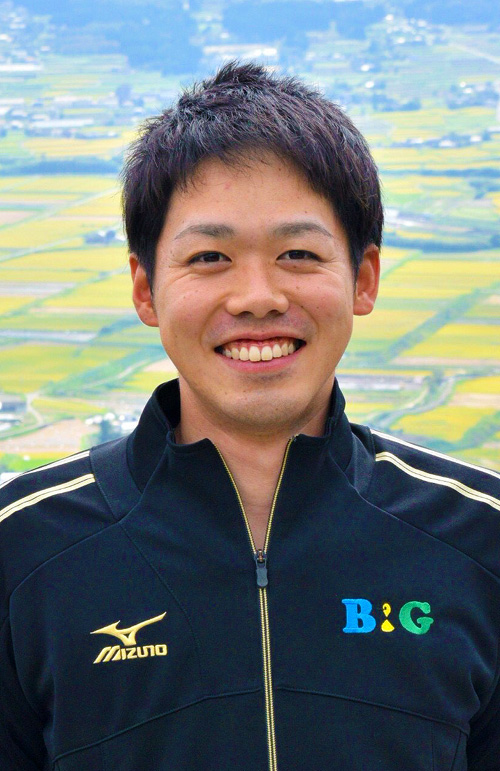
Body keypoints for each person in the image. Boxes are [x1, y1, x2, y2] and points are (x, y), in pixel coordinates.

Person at [1, 62, 499, 771]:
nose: (257, 296)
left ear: (363, 279)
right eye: (210, 257)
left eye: (298, 254)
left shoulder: (479, 541)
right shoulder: (23, 552)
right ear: (145, 289)